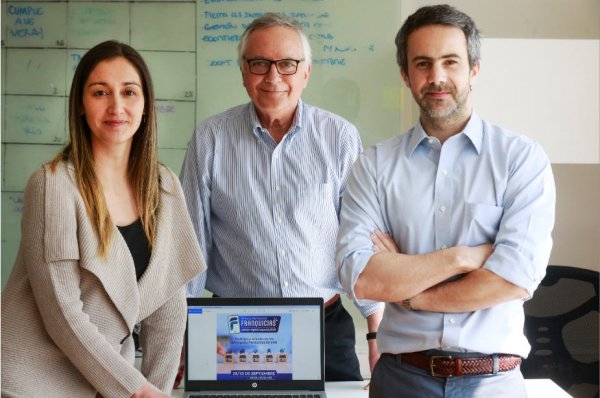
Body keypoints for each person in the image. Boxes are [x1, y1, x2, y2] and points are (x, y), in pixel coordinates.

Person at [336, 4, 556, 398]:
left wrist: (410, 293)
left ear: (474, 68)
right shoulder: (373, 166)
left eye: (450, 62)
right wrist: (462, 257)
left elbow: (515, 276)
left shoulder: (521, 159)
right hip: (401, 380)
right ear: (405, 74)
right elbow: (363, 277)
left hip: (495, 381)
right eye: (422, 64)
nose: (436, 78)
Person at [180, 12, 383, 383]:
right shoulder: (210, 139)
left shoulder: (339, 138)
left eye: (287, 64)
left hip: (324, 328)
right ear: (243, 72)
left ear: (306, 72)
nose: (273, 77)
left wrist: (375, 331)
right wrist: (180, 333)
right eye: (259, 63)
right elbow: (190, 243)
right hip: (233, 333)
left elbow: (360, 240)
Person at [1, 40, 206, 398]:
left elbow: (168, 310)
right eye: (100, 92)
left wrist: (155, 390)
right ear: (81, 104)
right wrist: (137, 391)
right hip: (34, 380)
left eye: (129, 92)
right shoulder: (52, 185)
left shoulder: (165, 186)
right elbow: (62, 313)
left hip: (109, 378)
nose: (116, 106)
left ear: (145, 105)